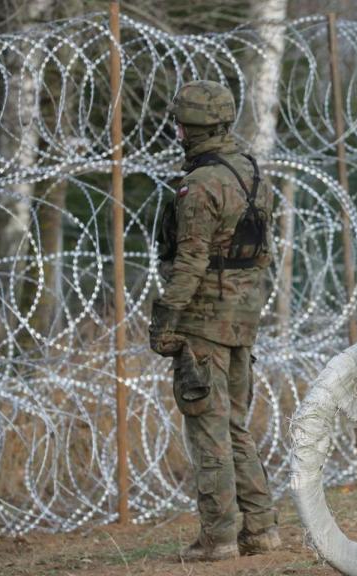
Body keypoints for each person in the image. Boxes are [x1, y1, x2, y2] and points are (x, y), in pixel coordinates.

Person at [149, 80, 281, 561]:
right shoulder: (250, 172)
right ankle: (262, 528)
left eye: (180, 124)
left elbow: (190, 263)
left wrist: (165, 319)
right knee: (235, 426)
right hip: (243, 314)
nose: (177, 132)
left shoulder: (200, 183)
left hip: (204, 318)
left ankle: (218, 536)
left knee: (208, 428)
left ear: (189, 127)